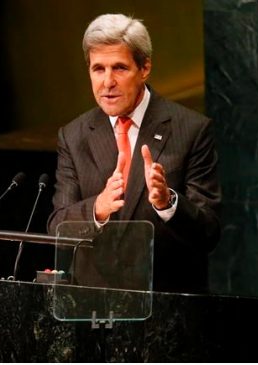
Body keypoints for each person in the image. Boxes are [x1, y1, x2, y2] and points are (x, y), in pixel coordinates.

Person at [47, 13, 221, 294]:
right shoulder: (74, 134)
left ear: (145, 68)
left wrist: (169, 204)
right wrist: (97, 209)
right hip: (94, 305)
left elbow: (209, 232)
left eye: (119, 68)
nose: (107, 82)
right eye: (98, 69)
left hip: (167, 304)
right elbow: (57, 228)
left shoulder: (191, 130)